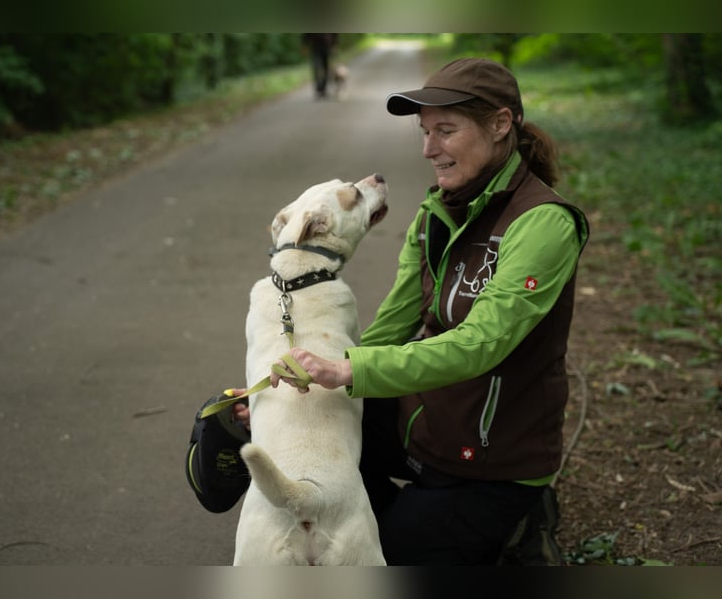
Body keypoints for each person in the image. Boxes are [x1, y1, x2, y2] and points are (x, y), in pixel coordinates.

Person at [233, 57, 590, 565]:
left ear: (501, 125)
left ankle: (521, 520)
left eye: (445, 131)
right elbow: (393, 325)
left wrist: (347, 368)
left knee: (390, 558)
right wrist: (292, 399)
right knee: (290, 430)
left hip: (490, 457)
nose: (428, 149)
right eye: (425, 133)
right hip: (431, 420)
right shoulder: (436, 211)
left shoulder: (544, 223)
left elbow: (481, 344)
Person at [302, 33, 338, 98]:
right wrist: (305, 44)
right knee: (316, 68)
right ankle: (318, 89)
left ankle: (324, 89)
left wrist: (334, 45)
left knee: (326, 69)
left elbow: (334, 34)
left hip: (327, 47)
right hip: (315, 47)